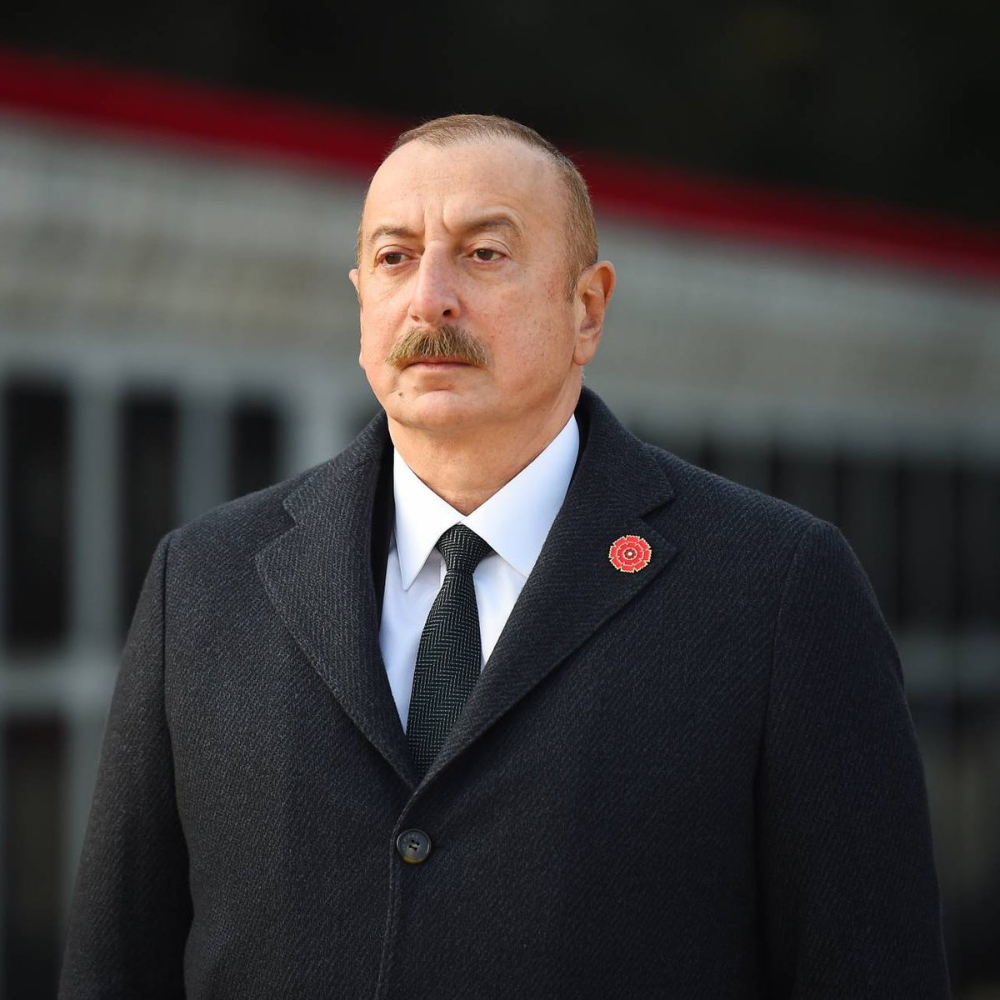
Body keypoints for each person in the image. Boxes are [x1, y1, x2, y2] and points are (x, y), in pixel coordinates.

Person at [60, 115, 950, 999]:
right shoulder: (205, 582)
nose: (431, 299)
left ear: (587, 309)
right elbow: (116, 965)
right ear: (362, 300)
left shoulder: (777, 588)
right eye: (395, 257)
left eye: (484, 254)